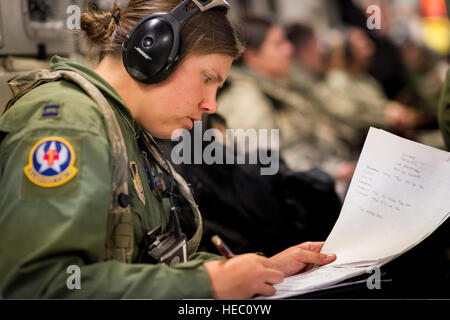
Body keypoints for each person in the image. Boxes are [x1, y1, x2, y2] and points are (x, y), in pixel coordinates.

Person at [0, 0, 337, 299]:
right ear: (152, 53)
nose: (211, 104)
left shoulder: (126, 129)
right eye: (207, 78)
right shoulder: (70, 125)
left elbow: (150, 260)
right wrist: (207, 285)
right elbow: (39, 287)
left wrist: (259, 270)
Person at [217, 16, 353, 181]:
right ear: (252, 56)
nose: (289, 49)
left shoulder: (275, 88)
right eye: (278, 44)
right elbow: (264, 169)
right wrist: (333, 172)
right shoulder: (246, 101)